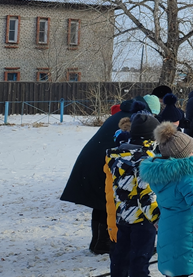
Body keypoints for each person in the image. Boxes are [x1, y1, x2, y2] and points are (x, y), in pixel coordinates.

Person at [61, 96, 150, 255]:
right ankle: (105, 242)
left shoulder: (121, 115)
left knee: (101, 202)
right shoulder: (134, 120)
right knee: (106, 202)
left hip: (94, 161)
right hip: (103, 164)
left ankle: (98, 242)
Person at [140, 123, 193, 277]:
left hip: (169, 228)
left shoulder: (164, 175)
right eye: (190, 151)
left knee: (173, 276)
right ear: (182, 155)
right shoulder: (186, 176)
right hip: (185, 232)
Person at [105, 113, 160, 277]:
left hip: (123, 215)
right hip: (142, 219)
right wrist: (156, 218)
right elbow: (146, 195)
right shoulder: (145, 160)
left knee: (120, 256)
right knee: (140, 260)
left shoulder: (119, 155)